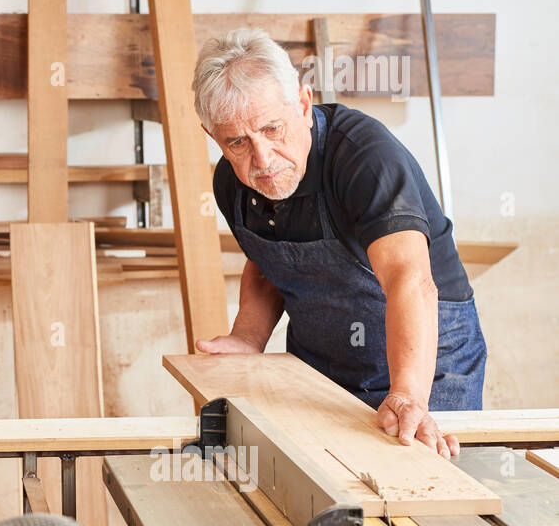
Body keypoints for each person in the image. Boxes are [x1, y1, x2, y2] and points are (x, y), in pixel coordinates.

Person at [192, 28, 486, 459]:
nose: (263, 158)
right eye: (237, 142)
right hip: (323, 364)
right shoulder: (231, 183)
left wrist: (408, 394)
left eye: (273, 129)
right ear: (212, 134)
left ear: (304, 105)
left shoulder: (366, 158)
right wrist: (248, 338)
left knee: (424, 495)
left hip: (427, 363)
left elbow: (410, 279)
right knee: (323, 493)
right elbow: (269, 262)